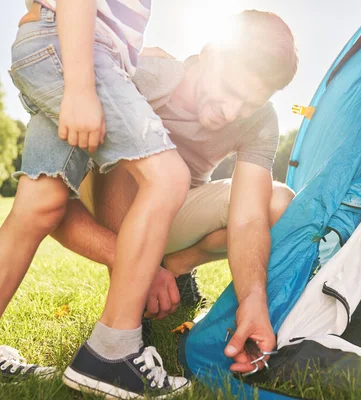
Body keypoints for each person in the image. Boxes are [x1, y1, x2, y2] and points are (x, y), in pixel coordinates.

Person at [51, 10, 299, 375]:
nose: (233, 112)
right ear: (212, 53)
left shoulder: (260, 120)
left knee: (278, 202)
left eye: (248, 103)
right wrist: (133, 262)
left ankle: (178, 264)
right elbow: (54, 202)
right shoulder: (144, 73)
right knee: (132, 153)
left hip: (178, 212)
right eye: (230, 91)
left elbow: (248, 218)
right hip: (109, 198)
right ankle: (134, 289)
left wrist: (252, 297)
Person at [0, 0, 191, 397]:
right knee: (168, 178)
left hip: (58, 43)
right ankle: (111, 354)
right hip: (75, 45)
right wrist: (81, 87)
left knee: (41, 205)